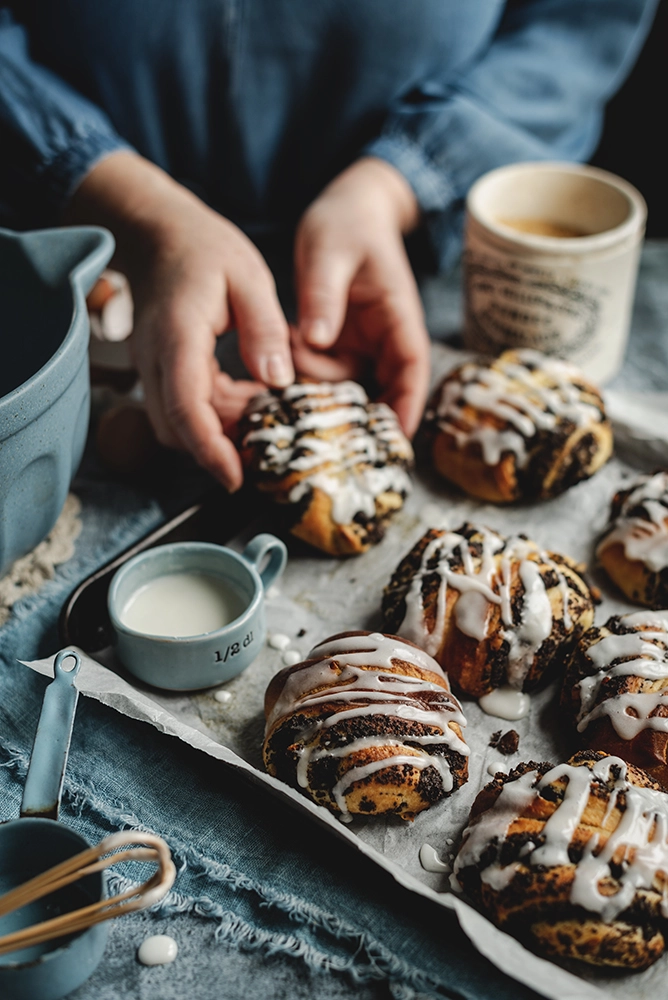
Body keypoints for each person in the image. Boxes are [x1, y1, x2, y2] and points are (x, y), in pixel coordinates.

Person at [0, 1, 657, 491]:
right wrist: (135, 209)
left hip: (410, 260)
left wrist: (398, 182)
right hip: (75, 267)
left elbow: (580, 24)